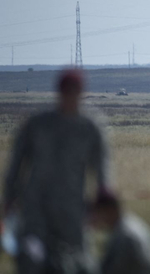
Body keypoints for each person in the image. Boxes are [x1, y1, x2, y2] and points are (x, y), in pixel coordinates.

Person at [3, 69, 111, 274]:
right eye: (66, 91)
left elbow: (102, 171)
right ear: (59, 92)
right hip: (36, 211)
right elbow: (15, 165)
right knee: (32, 260)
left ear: (81, 92)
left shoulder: (89, 128)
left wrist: (101, 205)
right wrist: (9, 200)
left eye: (74, 91)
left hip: (73, 211)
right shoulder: (37, 125)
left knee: (78, 263)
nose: (70, 96)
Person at [91, 192, 150, 274]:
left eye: (100, 213)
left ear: (109, 210)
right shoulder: (131, 223)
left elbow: (112, 269)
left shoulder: (124, 236)